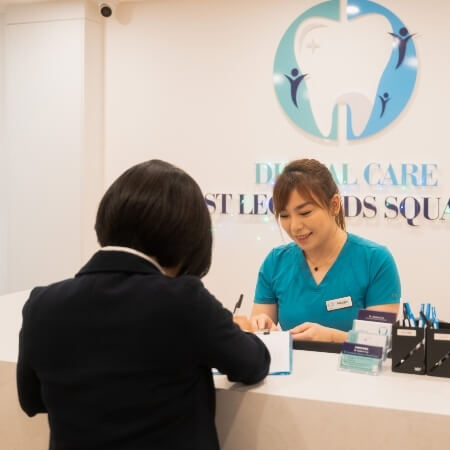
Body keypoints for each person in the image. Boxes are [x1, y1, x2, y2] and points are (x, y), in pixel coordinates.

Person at [17, 160, 270, 450]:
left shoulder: (41, 304)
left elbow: (31, 400)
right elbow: (252, 363)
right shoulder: (183, 300)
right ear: (186, 239)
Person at [250, 158, 401, 343]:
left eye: (305, 213)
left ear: (334, 205)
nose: (295, 226)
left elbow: (381, 344)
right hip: (296, 372)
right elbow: (258, 341)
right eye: (285, 216)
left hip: (355, 372)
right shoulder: (275, 263)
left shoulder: (375, 261)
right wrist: (260, 327)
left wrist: (331, 338)